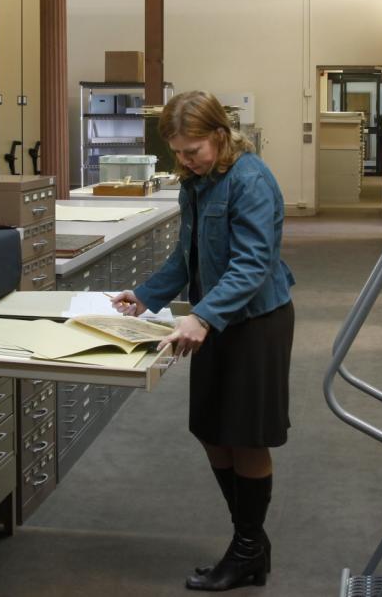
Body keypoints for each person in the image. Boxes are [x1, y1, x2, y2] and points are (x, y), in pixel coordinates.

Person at [110, 91, 296, 592]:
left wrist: (204, 317)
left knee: (246, 435)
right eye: (179, 152)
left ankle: (246, 549)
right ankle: (251, 543)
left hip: (256, 322)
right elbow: (185, 257)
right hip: (211, 322)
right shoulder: (195, 183)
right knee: (212, 430)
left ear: (219, 134)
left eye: (193, 150)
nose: (186, 160)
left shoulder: (251, 180)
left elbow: (253, 264)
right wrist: (145, 296)